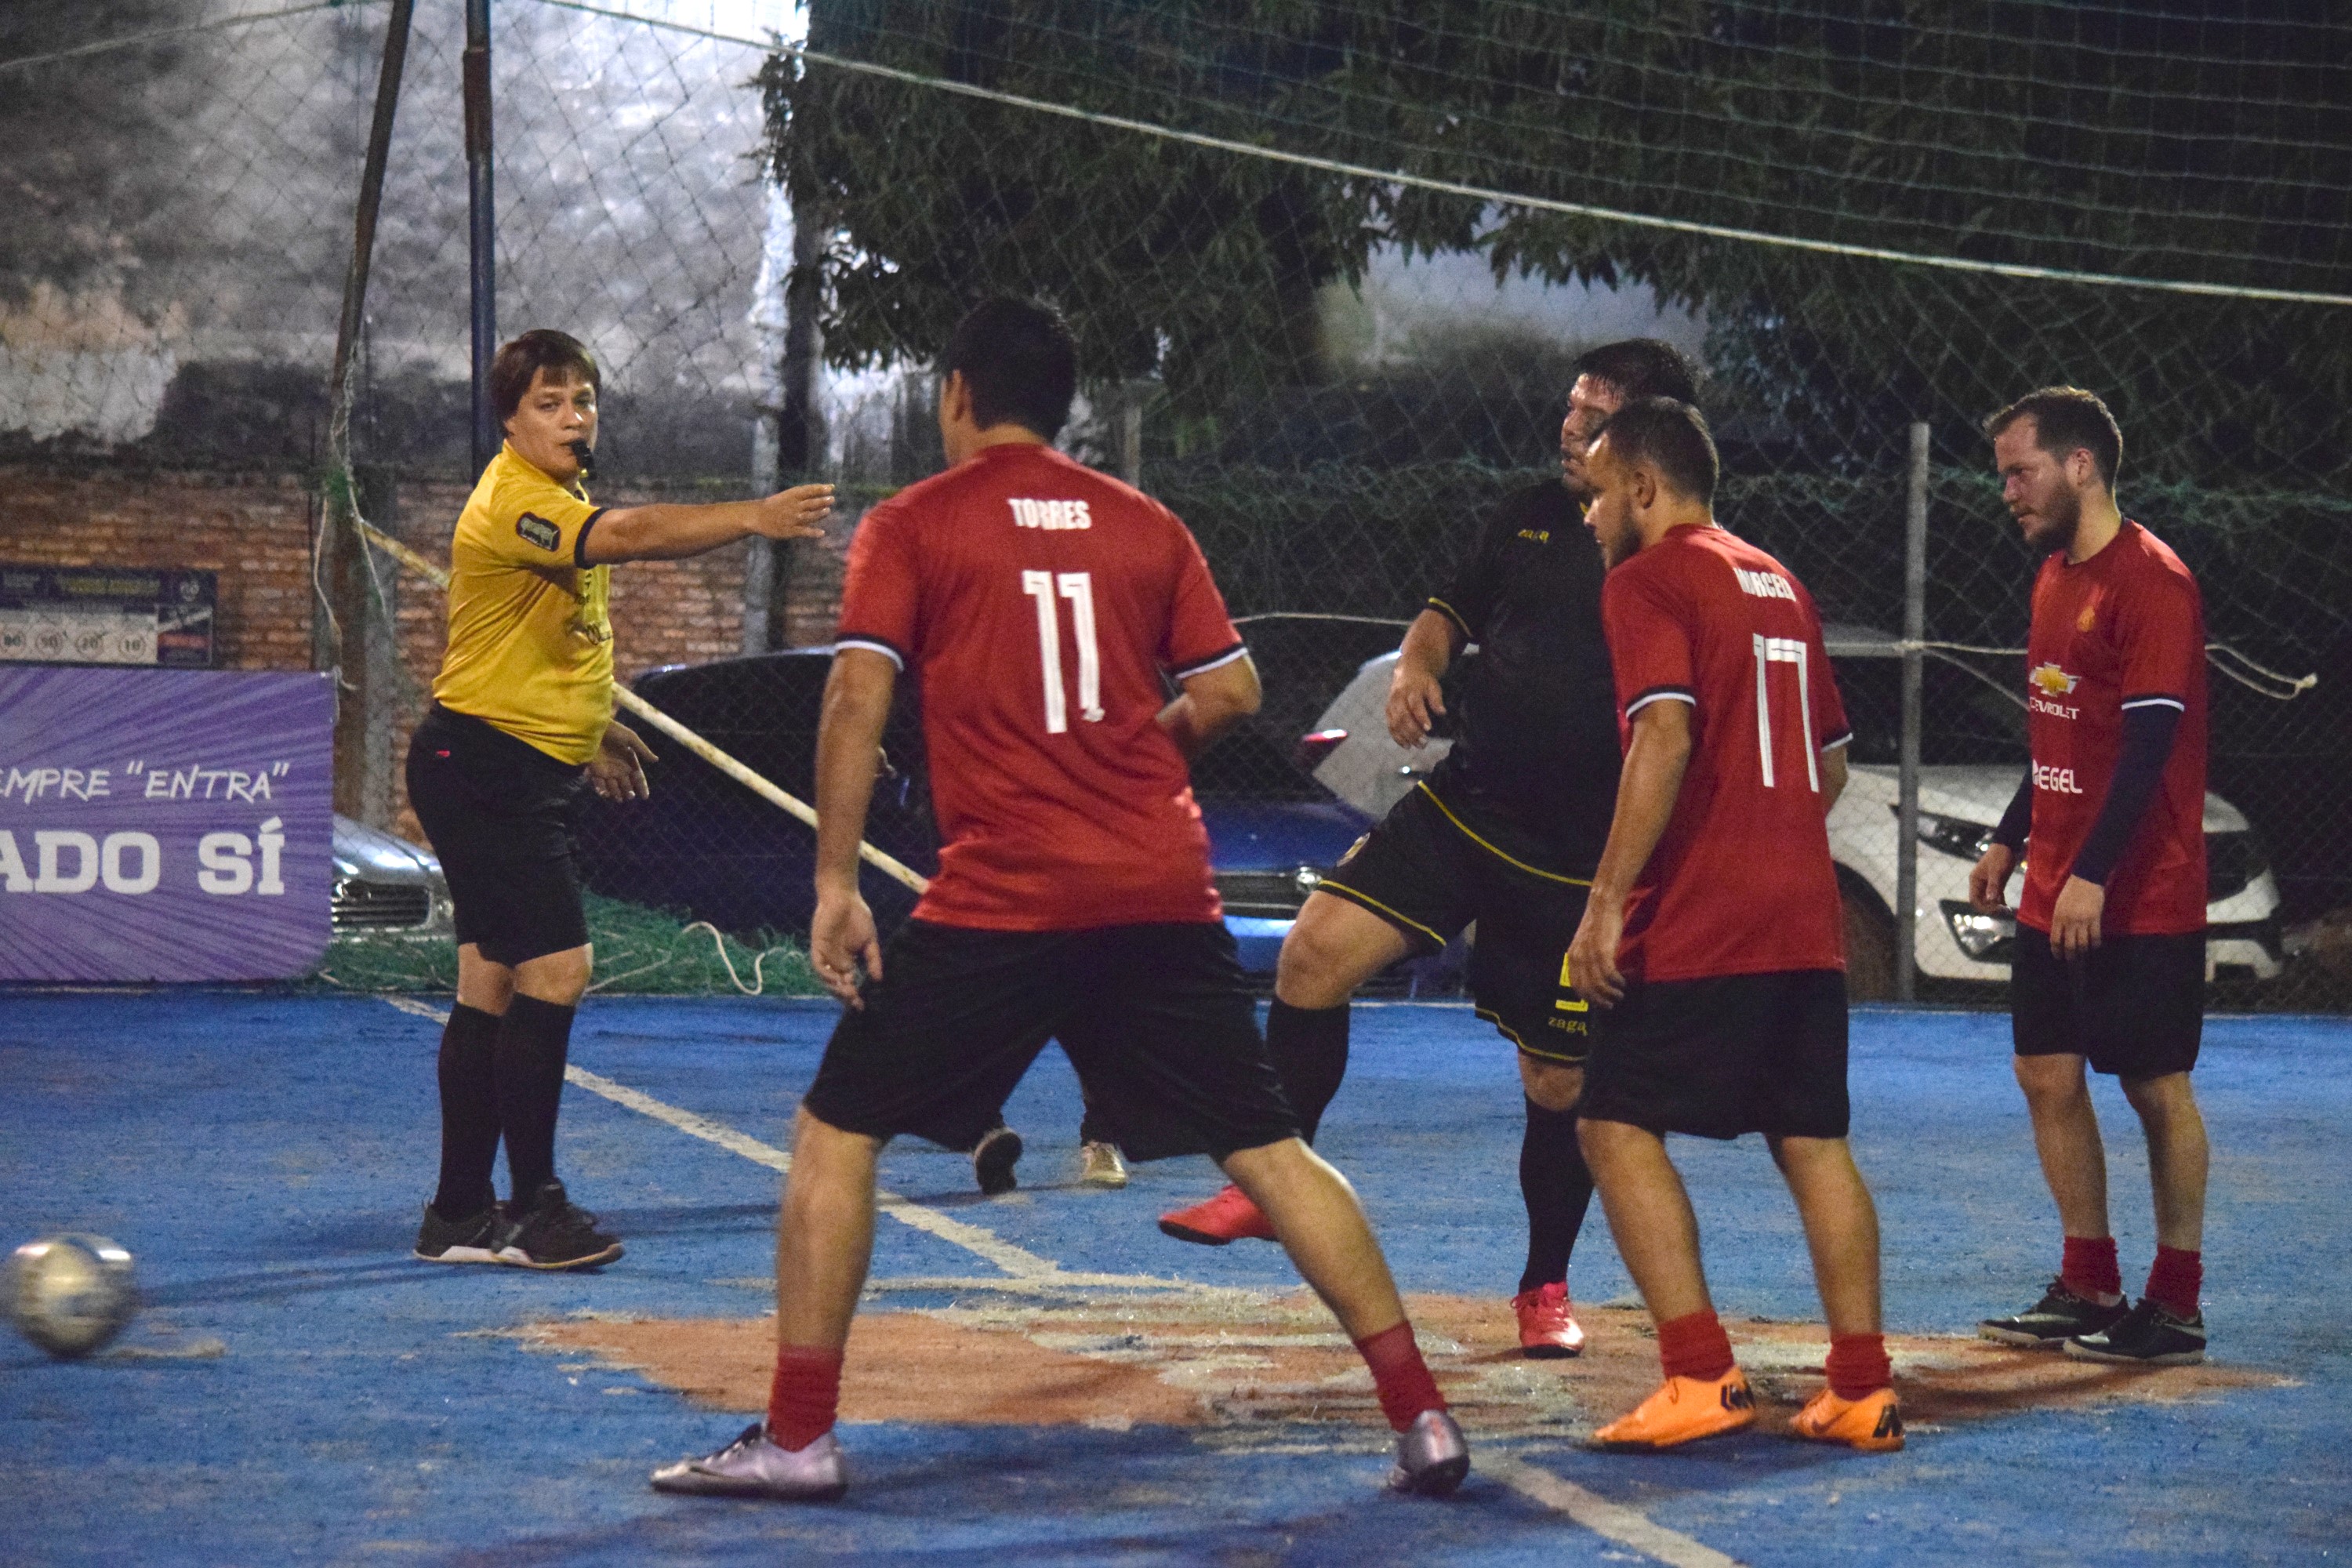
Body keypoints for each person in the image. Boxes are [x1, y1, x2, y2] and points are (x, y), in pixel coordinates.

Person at [649, 299, 1468, 1502]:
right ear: (1063, 402)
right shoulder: (1145, 524)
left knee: (837, 1132)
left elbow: (854, 701)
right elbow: (1233, 691)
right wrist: (1136, 752)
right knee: (1271, 1151)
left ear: (958, 394)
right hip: (1155, 886)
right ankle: (1423, 1418)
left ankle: (799, 1437)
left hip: (1006, 895)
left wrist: (835, 882)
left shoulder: (915, 523)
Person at [1155, 340, 1700, 1360]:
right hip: (1467, 808)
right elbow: (1445, 615)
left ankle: (1543, 1285)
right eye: (1569, 409)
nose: (1567, 428)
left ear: (1648, 448)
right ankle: (1275, 1180)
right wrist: (1416, 665)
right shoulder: (1530, 514)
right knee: (1314, 954)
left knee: (1556, 1082)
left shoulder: (1683, 566)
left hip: (1576, 864)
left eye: (1593, 419)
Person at [406, 328, 833, 1271]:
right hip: (485, 769)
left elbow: (536, 640)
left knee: (491, 980)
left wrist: (593, 725)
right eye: (549, 403)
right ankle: (535, 1210)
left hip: (496, 760)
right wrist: (754, 514)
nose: (573, 417)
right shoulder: (518, 501)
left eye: (583, 399)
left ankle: (459, 1213)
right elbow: (631, 537)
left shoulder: (555, 497)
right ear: (509, 420)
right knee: (558, 970)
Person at [1566, 397, 1901, 1454]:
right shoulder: (1779, 580)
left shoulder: (1646, 580)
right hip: (1802, 914)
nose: (1589, 515)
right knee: (1814, 1141)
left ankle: (1700, 1373)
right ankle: (1862, 1389)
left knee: (1612, 1121)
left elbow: (1662, 736)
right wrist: (1768, 823)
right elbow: (1831, 760)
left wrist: (1605, 901)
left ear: (1644, 487)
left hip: (1705, 915)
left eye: (1598, 492)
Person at [1969, 387, 2212, 1367]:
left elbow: (2148, 746)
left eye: (2020, 471)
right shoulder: (2052, 577)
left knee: (2155, 1086)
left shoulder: (2154, 582)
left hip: (2140, 888)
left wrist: (2095, 873)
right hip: (2058, 883)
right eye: (2003, 476)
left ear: (2081, 465)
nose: (2008, 492)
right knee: (2045, 1071)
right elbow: (2062, 730)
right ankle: (2089, 1281)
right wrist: (2010, 837)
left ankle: (2176, 1304)